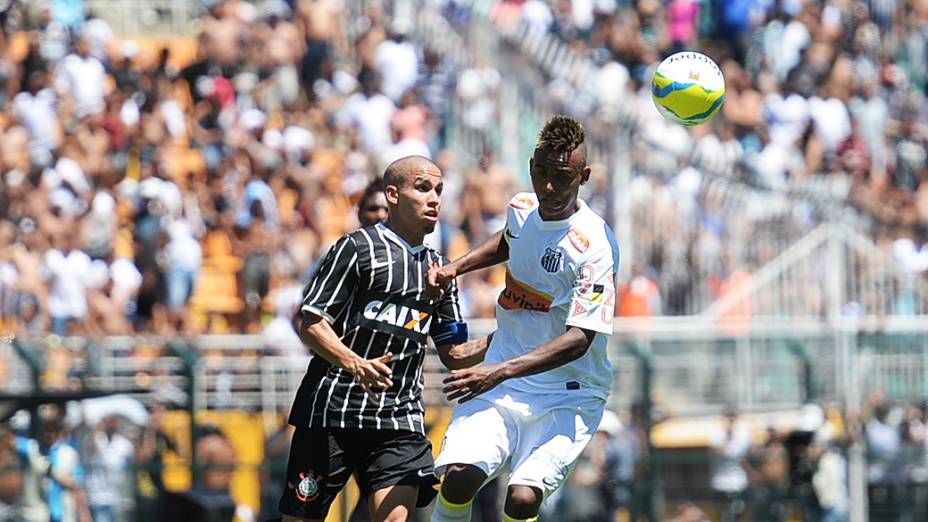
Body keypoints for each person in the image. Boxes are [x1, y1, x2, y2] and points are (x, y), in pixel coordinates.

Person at [427, 115, 620, 522]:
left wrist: (495, 372)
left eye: (563, 177)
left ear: (583, 176)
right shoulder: (522, 207)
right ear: (532, 166)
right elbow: (510, 240)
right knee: (459, 478)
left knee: (521, 500)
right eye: (542, 173)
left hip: (568, 392)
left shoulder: (596, 247)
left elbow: (580, 338)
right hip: (503, 377)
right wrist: (455, 268)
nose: (549, 187)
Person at [278, 156, 489, 522]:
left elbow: (453, 353)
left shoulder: (440, 269)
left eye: (439, 190)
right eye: (423, 188)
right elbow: (311, 324)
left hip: (398, 418)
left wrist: (506, 338)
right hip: (333, 411)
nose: (434, 198)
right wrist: (355, 363)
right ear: (393, 194)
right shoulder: (356, 249)